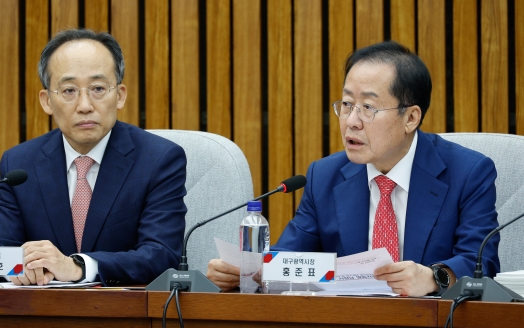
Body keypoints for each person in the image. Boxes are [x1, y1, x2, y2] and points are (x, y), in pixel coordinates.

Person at [207, 41, 501, 296]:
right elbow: (289, 257)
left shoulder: (468, 172)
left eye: (368, 108)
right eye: (347, 104)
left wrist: (434, 278)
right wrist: (250, 271)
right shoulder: (325, 176)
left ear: (411, 118)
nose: (351, 121)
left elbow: (482, 261)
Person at [0, 28, 187, 286]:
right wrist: (20, 266)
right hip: (39, 317)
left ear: (120, 95)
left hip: (124, 317)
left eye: (98, 88)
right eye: (69, 90)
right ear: (46, 101)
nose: (84, 105)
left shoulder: (159, 160)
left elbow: (161, 255)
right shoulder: (19, 165)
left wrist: (78, 266)